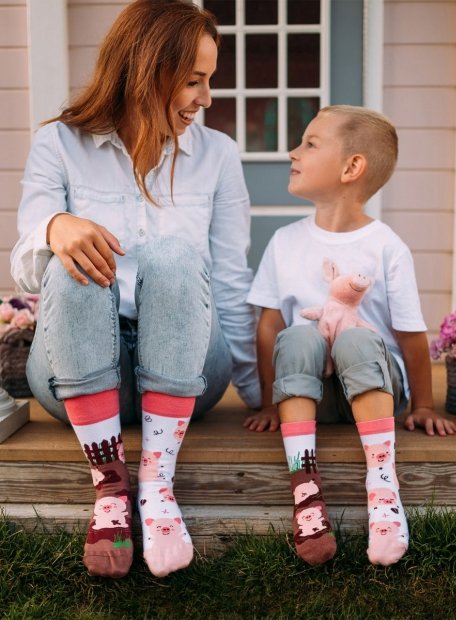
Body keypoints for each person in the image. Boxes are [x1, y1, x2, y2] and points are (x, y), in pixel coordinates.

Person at [10, 0, 260, 579]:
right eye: (193, 81)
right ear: (146, 72)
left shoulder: (219, 156)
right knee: (69, 257)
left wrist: (256, 390)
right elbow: (27, 267)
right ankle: (110, 490)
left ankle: (157, 484)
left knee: (172, 255)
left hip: (187, 371)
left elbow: (227, 277)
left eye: (209, 81)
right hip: (75, 371)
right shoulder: (60, 144)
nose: (206, 98)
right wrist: (55, 228)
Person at [245, 105, 456, 568]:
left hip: (375, 392)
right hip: (310, 396)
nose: (293, 151)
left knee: (355, 341)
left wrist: (423, 404)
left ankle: (383, 486)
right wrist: (268, 401)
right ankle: (305, 490)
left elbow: (410, 334)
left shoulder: (386, 246)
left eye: (309, 143)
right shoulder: (284, 241)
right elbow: (268, 327)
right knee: (300, 336)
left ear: (351, 167)